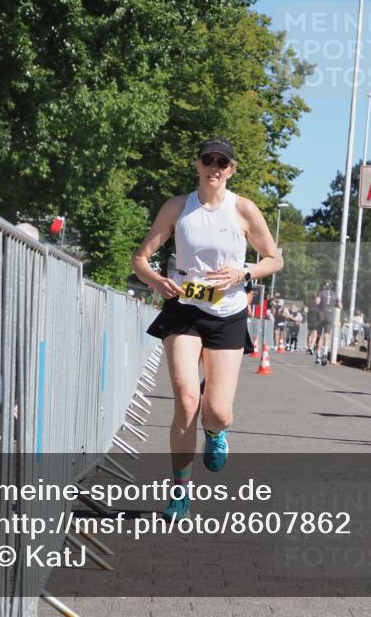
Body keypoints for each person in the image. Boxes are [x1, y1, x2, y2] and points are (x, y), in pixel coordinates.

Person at [131, 137, 282, 519]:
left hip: (227, 313)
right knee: (185, 401)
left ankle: (216, 433)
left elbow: (274, 258)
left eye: (222, 162)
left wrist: (244, 271)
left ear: (231, 170)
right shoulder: (177, 207)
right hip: (183, 309)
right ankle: (181, 490)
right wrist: (154, 279)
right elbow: (140, 258)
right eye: (207, 160)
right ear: (196, 164)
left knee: (217, 410)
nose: (214, 167)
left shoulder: (244, 209)